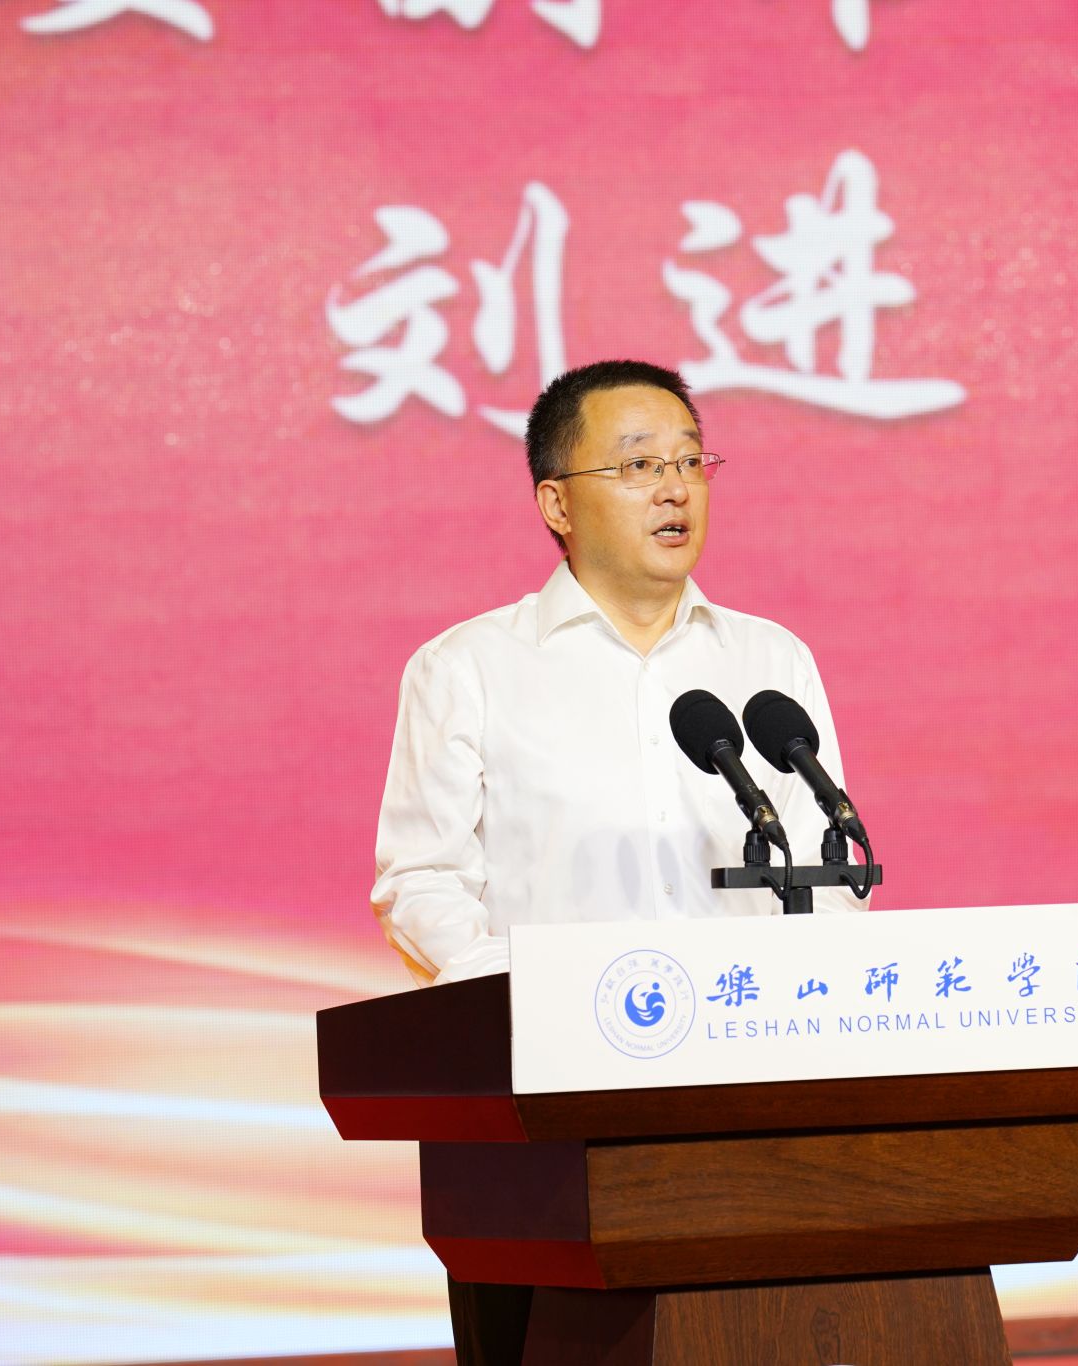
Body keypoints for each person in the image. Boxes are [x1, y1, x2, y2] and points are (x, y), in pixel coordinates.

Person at [368, 358, 867, 1364]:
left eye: (690, 461)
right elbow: (419, 882)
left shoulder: (769, 663)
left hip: (752, 1101)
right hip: (547, 1118)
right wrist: (533, 1001)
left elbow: (825, 866)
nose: (675, 488)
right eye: (638, 465)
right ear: (556, 502)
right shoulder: (468, 669)